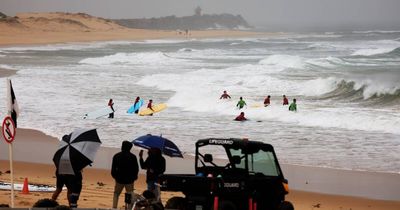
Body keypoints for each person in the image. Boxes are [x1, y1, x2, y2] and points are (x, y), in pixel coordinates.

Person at [111, 141, 139, 209]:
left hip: (119, 179)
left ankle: (114, 207)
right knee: (129, 195)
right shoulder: (133, 157)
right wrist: (134, 177)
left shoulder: (116, 155)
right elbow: (136, 169)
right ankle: (129, 208)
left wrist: (115, 176)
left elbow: (113, 168)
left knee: (116, 194)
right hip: (129, 179)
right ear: (130, 148)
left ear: (122, 146)